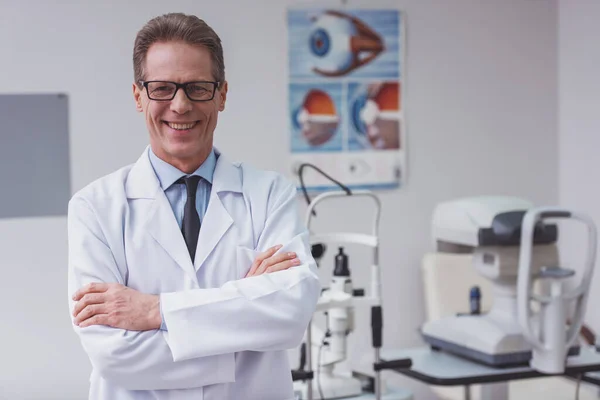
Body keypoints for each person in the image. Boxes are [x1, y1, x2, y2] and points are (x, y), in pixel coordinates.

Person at [67, 12, 321, 400]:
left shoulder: (270, 195)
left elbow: (290, 314)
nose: (180, 105)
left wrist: (157, 311)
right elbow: (113, 354)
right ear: (138, 96)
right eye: (162, 88)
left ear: (221, 94)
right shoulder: (94, 208)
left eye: (197, 87)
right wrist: (244, 324)